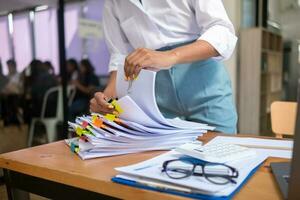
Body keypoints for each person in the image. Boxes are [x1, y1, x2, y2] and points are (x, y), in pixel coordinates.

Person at [90, 0, 238, 133]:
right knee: (160, 159)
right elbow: (120, 56)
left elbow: (221, 30)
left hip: (205, 87)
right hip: (153, 99)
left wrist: (170, 56)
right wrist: (107, 98)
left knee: (221, 151)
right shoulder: (113, 3)